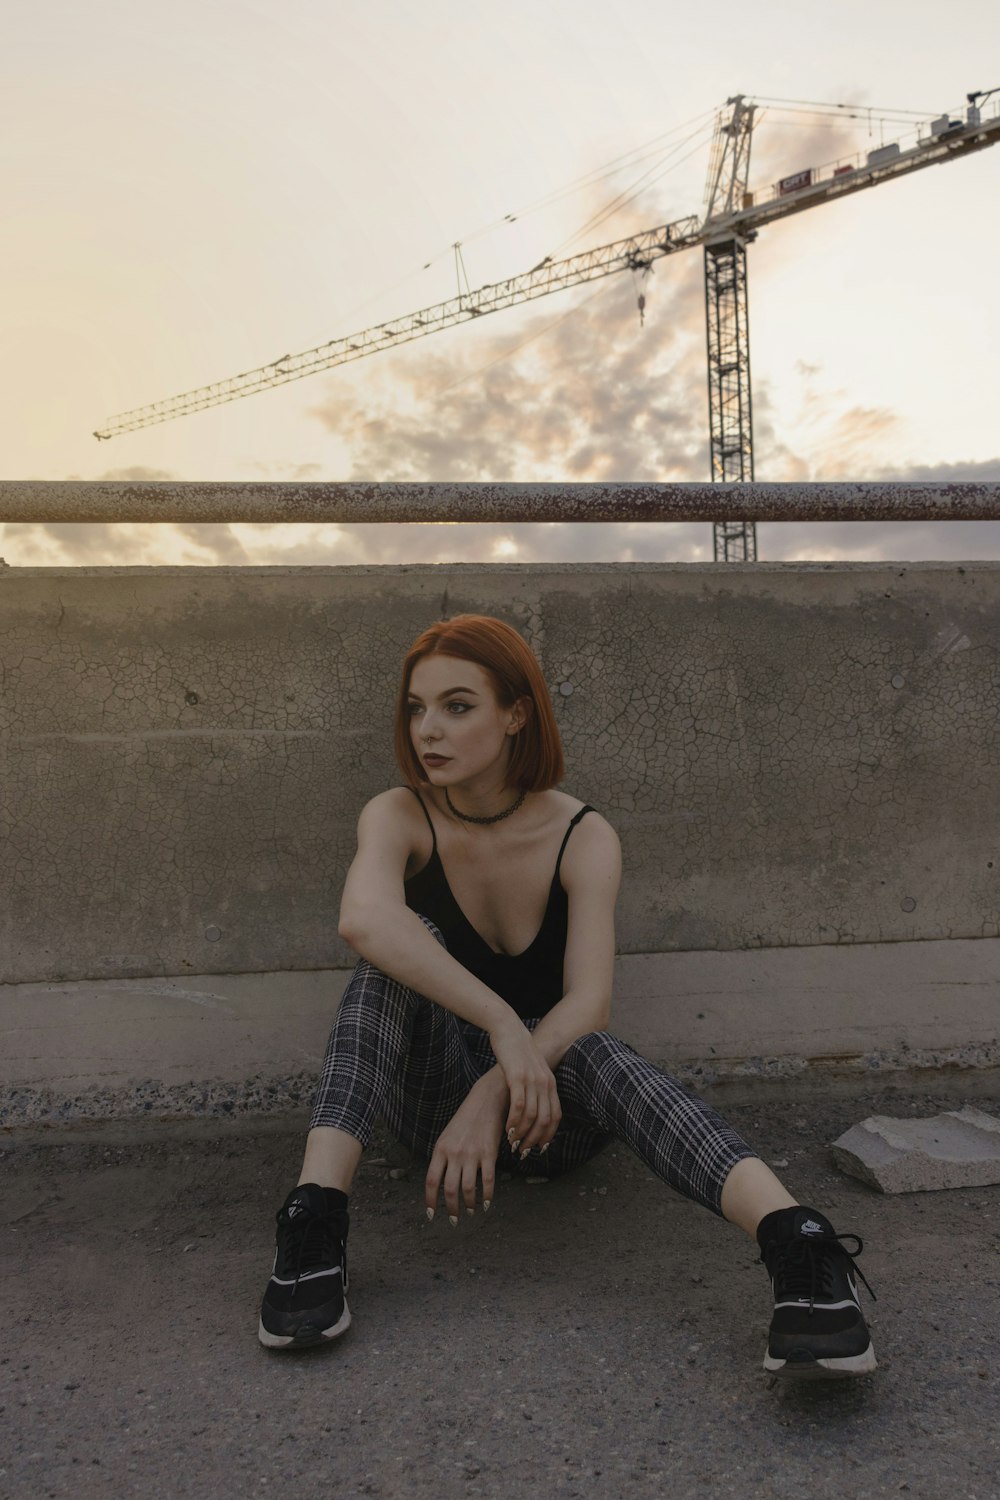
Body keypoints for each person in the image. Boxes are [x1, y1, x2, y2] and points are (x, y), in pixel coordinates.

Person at [258, 614, 876, 1378]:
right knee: (392, 951)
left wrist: (502, 1082)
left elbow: (589, 1002)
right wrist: (497, 1027)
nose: (428, 730)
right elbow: (363, 920)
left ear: (516, 714)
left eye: (458, 706)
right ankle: (312, 1225)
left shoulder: (584, 833)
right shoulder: (397, 814)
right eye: (417, 708)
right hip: (434, 1110)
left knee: (589, 1044)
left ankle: (800, 1244)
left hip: (557, 1118)